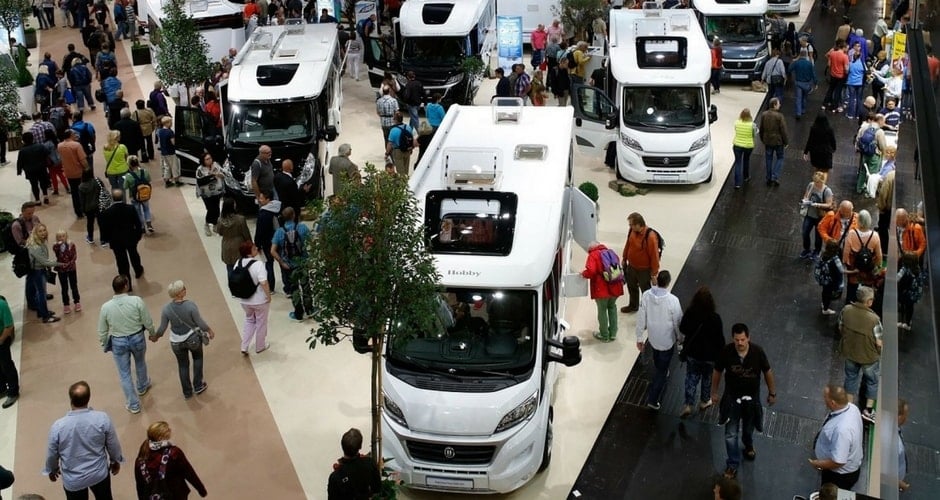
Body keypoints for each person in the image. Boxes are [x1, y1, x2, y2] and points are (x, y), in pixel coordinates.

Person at [710, 323, 777, 479]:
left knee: (748, 427)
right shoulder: (726, 352)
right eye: (736, 340)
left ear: (748, 338)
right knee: (730, 433)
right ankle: (732, 463)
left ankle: (748, 444)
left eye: (742, 339)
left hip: (751, 399)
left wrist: (772, 392)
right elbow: (717, 372)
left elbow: (767, 371)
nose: (739, 343)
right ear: (733, 339)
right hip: (731, 398)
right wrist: (714, 392)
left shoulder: (758, 352)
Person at [43, 381, 124, 499]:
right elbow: (113, 445)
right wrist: (115, 461)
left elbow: (52, 454)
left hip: (73, 480)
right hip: (99, 474)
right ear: (88, 398)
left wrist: (52, 470)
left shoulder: (58, 427)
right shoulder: (102, 419)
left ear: (70, 399)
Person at [98, 274, 154, 413]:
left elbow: (102, 330)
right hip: (137, 337)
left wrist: (104, 343)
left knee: (124, 373)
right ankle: (142, 386)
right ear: (126, 286)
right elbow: (146, 320)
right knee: (140, 362)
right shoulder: (136, 301)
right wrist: (152, 333)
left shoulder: (106, 307)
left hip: (118, 341)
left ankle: (133, 404)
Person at [152, 281, 215, 399]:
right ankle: (198, 385)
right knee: (197, 358)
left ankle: (187, 392)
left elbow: (162, 328)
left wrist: (156, 337)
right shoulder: (190, 305)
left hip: (176, 342)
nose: (185, 289)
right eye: (183, 289)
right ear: (179, 293)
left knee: (183, 365)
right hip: (193, 338)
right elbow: (199, 322)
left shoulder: (166, 309)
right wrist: (209, 330)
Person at [635, 270, 682, 410]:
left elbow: (641, 317)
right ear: (668, 283)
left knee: (656, 354)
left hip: (653, 337)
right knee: (661, 371)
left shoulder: (646, 296)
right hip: (667, 340)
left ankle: (661, 368)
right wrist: (680, 339)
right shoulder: (673, 300)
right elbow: (677, 322)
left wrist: (639, 337)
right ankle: (652, 399)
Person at [838, 285, 883, 424]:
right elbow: (879, 341)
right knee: (872, 381)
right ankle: (868, 411)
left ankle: (849, 409)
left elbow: (841, 327)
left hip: (851, 352)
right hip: (869, 357)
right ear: (868, 302)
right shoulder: (874, 319)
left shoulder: (846, 310)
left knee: (851, 377)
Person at [678, 286, 724, 418]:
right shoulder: (715, 318)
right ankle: (704, 401)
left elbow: (683, 328)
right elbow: (720, 340)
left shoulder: (690, 312)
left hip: (693, 353)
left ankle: (688, 404)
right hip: (710, 356)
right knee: (707, 378)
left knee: (691, 377)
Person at [134, 421, 207, 499]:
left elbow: (140, 484)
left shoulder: (143, 452)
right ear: (161, 437)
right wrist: (201, 489)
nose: (170, 430)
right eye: (168, 430)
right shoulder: (174, 453)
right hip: (175, 493)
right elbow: (188, 472)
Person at [810, 385, 863, 489]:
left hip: (838, 477)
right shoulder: (853, 408)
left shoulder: (842, 430)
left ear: (832, 403)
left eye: (825, 397)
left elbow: (838, 461)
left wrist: (819, 464)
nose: (823, 399)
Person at [271, 207, 313, 320]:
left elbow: (272, 251)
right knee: (306, 286)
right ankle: (310, 310)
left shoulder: (279, 232)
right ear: (294, 215)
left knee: (294, 289)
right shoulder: (302, 227)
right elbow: (312, 242)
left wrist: (281, 262)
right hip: (303, 262)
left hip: (289, 265)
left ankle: (298, 313)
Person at [100, 190, 145, 291]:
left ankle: (126, 283)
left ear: (112, 198)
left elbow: (104, 228)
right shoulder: (130, 208)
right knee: (134, 255)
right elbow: (138, 223)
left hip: (116, 241)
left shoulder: (107, 213)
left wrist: (106, 240)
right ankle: (138, 270)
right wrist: (138, 235)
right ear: (122, 197)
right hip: (130, 238)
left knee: (121, 262)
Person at [580, 241, 625, 343]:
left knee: (602, 310)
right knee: (612, 307)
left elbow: (591, 271)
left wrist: (583, 274)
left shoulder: (593, 255)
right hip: (615, 286)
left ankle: (604, 335)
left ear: (591, 249)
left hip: (602, 288)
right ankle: (613, 333)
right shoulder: (611, 252)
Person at [235, 241, 272, 355]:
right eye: (254, 248)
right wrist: (268, 296)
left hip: (244, 300)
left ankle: (244, 346)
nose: (256, 249)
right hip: (259, 300)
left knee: (249, 320)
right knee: (261, 322)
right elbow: (263, 282)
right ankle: (260, 346)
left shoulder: (238, 263)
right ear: (249, 252)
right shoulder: (258, 264)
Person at [620, 213, 660, 313]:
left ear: (638, 224)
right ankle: (633, 305)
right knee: (631, 286)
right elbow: (628, 244)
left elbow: (654, 256)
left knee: (646, 292)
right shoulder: (632, 231)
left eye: (631, 225)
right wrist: (624, 258)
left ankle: (649, 311)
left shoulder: (650, 237)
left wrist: (654, 273)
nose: (630, 227)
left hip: (644, 270)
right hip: (632, 267)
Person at [327, 428, 381, 500]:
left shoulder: (335, 477)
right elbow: (377, 488)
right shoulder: (369, 463)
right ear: (360, 446)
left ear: (342, 446)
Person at [842, 210, 882, 304]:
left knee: (852, 289)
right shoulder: (875, 236)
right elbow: (879, 255)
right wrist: (876, 266)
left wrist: (847, 265)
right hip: (868, 269)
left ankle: (850, 304)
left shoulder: (852, 234)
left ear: (858, 221)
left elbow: (846, 253)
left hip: (854, 268)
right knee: (867, 289)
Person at [25, 224, 62, 324]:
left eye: (44, 230)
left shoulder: (40, 242)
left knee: (39, 292)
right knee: (41, 293)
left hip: (39, 270)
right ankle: (45, 316)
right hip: (37, 271)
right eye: (40, 231)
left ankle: (41, 312)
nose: (43, 233)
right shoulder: (35, 246)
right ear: (36, 233)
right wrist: (59, 263)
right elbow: (44, 262)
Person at [799, 172, 834, 260]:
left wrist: (817, 205)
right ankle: (806, 249)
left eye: (817, 182)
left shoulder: (827, 191)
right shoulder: (811, 185)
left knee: (818, 236)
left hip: (820, 216)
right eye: (815, 181)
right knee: (805, 232)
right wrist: (805, 201)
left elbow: (829, 204)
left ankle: (817, 251)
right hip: (809, 214)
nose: (815, 184)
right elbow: (806, 195)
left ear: (822, 181)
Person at [254, 190, 282, 292]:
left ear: (268, 200)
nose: (260, 200)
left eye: (261, 198)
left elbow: (259, 231)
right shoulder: (279, 208)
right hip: (278, 241)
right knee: (282, 261)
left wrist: (257, 244)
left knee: (268, 264)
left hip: (266, 243)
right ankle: (288, 287)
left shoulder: (263, 214)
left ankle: (271, 287)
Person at [59, 129, 90, 219]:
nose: (75, 135)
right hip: (79, 172)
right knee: (83, 191)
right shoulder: (76, 145)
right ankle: (85, 209)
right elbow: (82, 160)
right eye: (73, 134)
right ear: (70, 135)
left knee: (74, 192)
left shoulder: (60, 146)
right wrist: (87, 168)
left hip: (68, 172)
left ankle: (78, 212)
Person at [215, 197, 253, 268]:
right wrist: (251, 245)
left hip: (226, 244)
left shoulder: (220, 220)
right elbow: (246, 234)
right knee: (240, 266)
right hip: (239, 244)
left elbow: (219, 232)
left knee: (229, 266)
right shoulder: (241, 219)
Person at [758, 97, 788, 187]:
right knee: (780, 158)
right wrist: (786, 141)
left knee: (768, 159)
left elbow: (761, 128)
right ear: (774, 105)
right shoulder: (779, 116)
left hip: (767, 140)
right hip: (778, 141)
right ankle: (775, 176)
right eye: (778, 103)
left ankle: (768, 177)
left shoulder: (764, 114)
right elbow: (783, 130)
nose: (780, 105)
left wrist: (762, 139)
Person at [16, 131, 51, 205]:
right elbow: (47, 153)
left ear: (23, 140)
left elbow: (20, 162)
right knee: (43, 183)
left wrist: (19, 171)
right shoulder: (40, 146)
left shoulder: (22, 151)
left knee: (34, 185)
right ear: (33, 138)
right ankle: (45, 196)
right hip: (41, 168)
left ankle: (37, 200)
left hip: (30, 170)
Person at [52, 229, 81, 315]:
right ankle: (66, 304)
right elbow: (56, 252)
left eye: (63, 236)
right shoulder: (56, 246)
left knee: (74, 285)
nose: (62, 238)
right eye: (59, 237)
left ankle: (77, 302)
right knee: (64, 287)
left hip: (71, 268)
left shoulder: (71, 245)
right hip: (61, 269)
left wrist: (69, 264)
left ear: (66, 236)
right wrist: (57, 245)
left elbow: (74, 256)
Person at [195, 152, 225, 237]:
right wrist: (213, 176)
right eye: (207, 159)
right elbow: (201, 181)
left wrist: (220, 175)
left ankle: (216, 225)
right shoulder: (200, 169)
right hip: (206, 193)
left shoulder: (216, 165)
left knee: (217, 208)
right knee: (211, 209)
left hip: (217, 191)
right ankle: (207, 224)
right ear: (203, 161)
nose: (210, 160)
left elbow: (223, 173)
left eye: (210, 158)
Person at [123, 156, 154, 234]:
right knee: (146, 209)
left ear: (129, 165)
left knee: (138, 212)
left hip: (134, 197)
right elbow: (149, 180)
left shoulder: (128, 176)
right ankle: (149, 225)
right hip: (145, 195)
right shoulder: (145, 171)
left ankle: (142, 227)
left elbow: (125, 187)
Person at [0, 294, 20, 409]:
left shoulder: (2, 305)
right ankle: (2, 387)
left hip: (2, 339)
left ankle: (13, 392)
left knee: (6, 364)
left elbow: (9, 326)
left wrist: (1, 340)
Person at [803, 115, 837, 179]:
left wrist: (806, 152)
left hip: (815, 152)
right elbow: (833, 140)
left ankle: (816, 182)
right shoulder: (829, 129)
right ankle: (822, 184)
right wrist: (833, 149)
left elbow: (810, 140)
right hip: (826, 152)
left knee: (817, 169)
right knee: (825, 170)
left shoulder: (813, 129)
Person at [78, 170, 106, 244]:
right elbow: (103, 190)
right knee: (101, 222)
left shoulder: (81, 187)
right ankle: (103, 239)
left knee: (90, 223)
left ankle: (90, 237)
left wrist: (83, 209)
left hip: (88, 207)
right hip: (99, 205)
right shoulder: (97, 181)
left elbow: (82, 200)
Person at [731, 108, 757, 188]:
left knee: (738, 162)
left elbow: (736, 130)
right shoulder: (752, 125)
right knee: (746, 160)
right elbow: (754, 134)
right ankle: (746, 177)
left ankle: (737, 183)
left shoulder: (737, 122)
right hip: (748, 146)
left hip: (737, 145)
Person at [386, 112, 417, 176]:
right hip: (407, 150)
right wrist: (411, 148)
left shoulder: (393, 130)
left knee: (400, 171)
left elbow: (390, 144)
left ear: (395, 120)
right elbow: (412, 139)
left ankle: (402, 183)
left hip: (398, 151)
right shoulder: (408, 127)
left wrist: (387, 153)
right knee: (406, 168)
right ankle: (406, 180)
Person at [789, 49, 817, 119]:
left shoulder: (797, 63)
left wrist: (793, 61)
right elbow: (813, 74)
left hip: (798, 82)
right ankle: (803, 110)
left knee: (798, 98)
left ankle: (798, 113)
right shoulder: (809, 64)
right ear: (806, 55)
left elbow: (789, 69)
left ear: (800, 55)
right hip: (807, 84)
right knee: (804, 97)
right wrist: (815, 83)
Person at [822, 40, 849, 113]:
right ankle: (834, 106)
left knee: (831, 89)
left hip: (833, 75)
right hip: (841, 76)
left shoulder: (832, 53)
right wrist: (847, 74)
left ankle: (825, 103)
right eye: (846, 48)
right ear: (843, 47)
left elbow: (829, 64)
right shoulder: (845, 56)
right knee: (838, 91)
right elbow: (846, 69)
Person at [156, 116, 181, 187]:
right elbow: (173, 143)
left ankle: (167, 181)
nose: (171, 123)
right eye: (170, 122)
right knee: (174, 166)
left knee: (167, 166)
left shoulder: (160, 131)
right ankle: (177, 181)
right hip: (171, 152)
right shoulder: (170, 132)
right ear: (167, 123)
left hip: (163, 152)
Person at [898, 399, 910, 491]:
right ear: (898, 416)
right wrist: (901, 484)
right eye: (905, 415)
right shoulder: (895, 445)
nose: (906, 418)